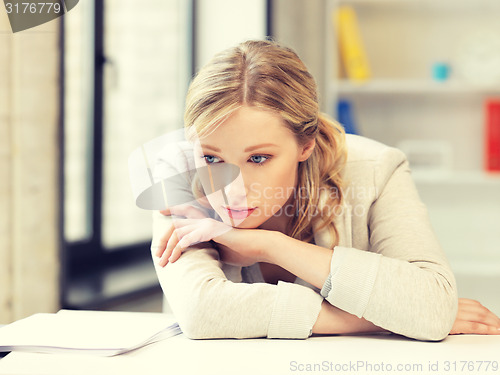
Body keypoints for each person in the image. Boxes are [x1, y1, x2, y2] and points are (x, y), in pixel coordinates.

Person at [150, 40, 500, 340]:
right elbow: (201, 311)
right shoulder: (179, 181)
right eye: (212, 158)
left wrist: (269, 245)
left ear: (306, 145)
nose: (232, 190)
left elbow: (432, 305)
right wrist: (368, 318)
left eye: (258, 158)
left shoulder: (377, 170)